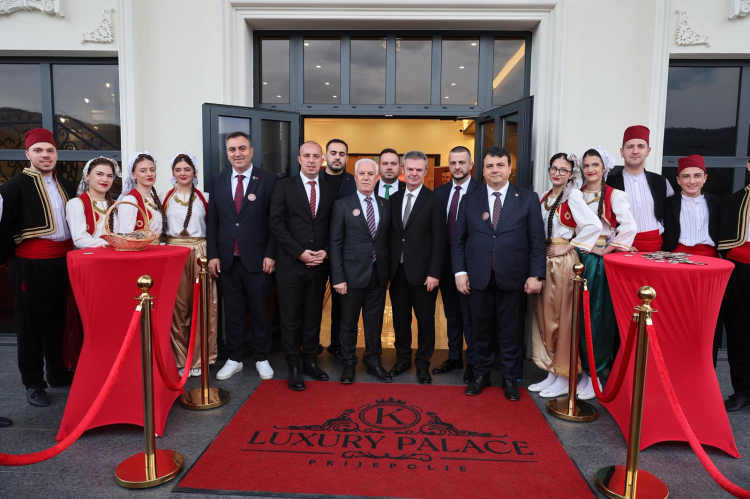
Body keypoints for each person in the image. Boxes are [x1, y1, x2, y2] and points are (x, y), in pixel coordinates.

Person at [453, 146, 546, 399]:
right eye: (490, 166)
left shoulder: (527, 198)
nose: (495, 170)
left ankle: (509, 378)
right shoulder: (470, 199)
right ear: (482, 171)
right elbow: (459, 239)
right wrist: (460, 272)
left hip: (515, 277)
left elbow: (537, 241)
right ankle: (480, 374)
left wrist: (536, 274)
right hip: (478, 277)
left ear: (509, 169)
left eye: (500, 165)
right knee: (479, 330)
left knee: (511, 331)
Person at [0, 128, 76, 407]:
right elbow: (3, 227)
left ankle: (57, 372)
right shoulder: (13, 186)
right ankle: (33, 383)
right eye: (39, 150)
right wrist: (7, 261)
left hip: (64, 261)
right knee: (31, 326)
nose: (45, 155)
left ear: (56, 154)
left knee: (59, 321)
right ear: (27, 154)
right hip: (31, 265)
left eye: (50, 150)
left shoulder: (66, 184)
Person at [529, 153, 601, 398]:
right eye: (554, 168)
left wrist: (568, 247)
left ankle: (564, 375)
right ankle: (552, 370)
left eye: (563, 170)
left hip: (563, 264)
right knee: (546, 317)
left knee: (563, 318)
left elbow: (594, 225)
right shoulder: (545, 197)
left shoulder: (574, 196)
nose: (558, 173)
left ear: (571, 174)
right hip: (544, 261)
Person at [207, 131, 276, 381]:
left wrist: (271, 254)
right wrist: (213, 254)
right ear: (227, 153)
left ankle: (261, 357)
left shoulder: (268, 180)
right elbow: (213, 220)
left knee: (260, 311)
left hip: (258, 260)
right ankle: (234, 358)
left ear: (251, 151)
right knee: (233, 313)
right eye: (232, 149)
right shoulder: (218, 179)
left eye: (242, 148)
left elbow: (275, 221)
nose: (238, 153)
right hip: (227, 260)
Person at [270, 141, 335, 391]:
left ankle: (310, 361)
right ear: (299, 159)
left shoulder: (329, 189)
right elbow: (276, 224)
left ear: (322, 160)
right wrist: (299, 253)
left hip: (318, 265)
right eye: (307, 156)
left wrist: (326, 251)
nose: (311, 160)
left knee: (313, 316)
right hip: (290, 265)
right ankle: (293, 366)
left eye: (316, 156)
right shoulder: (283, 186)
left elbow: (334, 225)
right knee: (291, 318)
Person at [576, 147, 637, 400]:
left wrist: (606, 249)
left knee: (595, 316)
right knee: (575, 318)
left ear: (604, 168)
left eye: (595, 165)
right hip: (575, 257)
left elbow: (629, 226)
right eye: (586, 165)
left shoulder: (614, 195)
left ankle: (595, 373)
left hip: (595, 263)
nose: (590, 169)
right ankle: (580, 371)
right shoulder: (575, 193)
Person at [330, 159, 392, 384]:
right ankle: (348, 364)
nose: (366, 177)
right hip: (350, 275)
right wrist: (338, 277)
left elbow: (388, 241)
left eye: (370, 174)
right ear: (355, 177)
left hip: (378, 275)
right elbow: (335, 243)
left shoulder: (385, 204)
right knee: (348, 323)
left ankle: (374, 361)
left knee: (374, 322)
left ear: (377, 178)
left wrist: (388, 274)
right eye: (361, 174)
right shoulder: (342, 205)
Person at [388, 150, 446, 384]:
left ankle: (423, 364)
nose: (414, 173)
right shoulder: (393, 200)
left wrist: (434, 273)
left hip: (424, 274)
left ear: (425, 172)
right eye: (410, 169)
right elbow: (391, 237)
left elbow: (439, 240)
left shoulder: (434, 201)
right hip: (397, 272)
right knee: (400, 320)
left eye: (418, 169)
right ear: (403, 170)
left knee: (425, 321)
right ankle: (402, 360)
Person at [161, 152, 218, 378]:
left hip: (200, 252)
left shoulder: (205, 197)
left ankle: (200, 358)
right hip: (174, 252)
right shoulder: (164, 197)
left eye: (187, 169)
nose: (182, 173)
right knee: (178, 308)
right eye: (178, 170)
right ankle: (180, 357)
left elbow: (213, 227)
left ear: (194, 171)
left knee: (203, 305)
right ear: (173, 173)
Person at [432, 146, 478, 384]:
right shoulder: (439, 193)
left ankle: (473, 362)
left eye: (462, 162)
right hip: (445, 263)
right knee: (451, 314)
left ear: (471, 165)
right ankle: (454, 357)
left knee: (471, 315)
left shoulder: (482, 191)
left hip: (471, 264)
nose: (457, 167)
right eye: (453, 163)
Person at [607, 125, 674, 253]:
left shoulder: (661, 182)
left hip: (655, 248)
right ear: (622, 151)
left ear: (648, 151)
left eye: (641, 146)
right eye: (630, 147)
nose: (635, 151)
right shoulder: (609, 183)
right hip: (620, 247)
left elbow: (670, 217)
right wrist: (613, 245)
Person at [718, 157, 750, 412]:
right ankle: (742, 391)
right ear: (749, 165)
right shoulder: (732, 202)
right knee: (738, 331)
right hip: (740, 270)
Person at [319, 139, 356, 360]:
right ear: (325, 156)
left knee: (341, 303)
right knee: (313, 302)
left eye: (342, 154)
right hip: (316, 252)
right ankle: (311, 345)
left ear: (347, 158)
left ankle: (337, 345)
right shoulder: (314, 178)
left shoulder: (354, 182)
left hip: (343, 252)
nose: (337, 157)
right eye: (333, 153)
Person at [662, 155, 719, 258]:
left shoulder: (716, 202)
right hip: (676, 256)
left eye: (697, 176)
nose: (692, 181)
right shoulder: (668, 204)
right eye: (686, 176)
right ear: (678, 180)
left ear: (705, 178)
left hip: (710, 256)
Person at [65, 157, 120, 249]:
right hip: (91, 256)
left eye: (110, 176)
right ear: (87, 176)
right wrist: (112, 243)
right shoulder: (76, 204)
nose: (105, 179)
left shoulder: (117, 205)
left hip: (117, 255)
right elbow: (80, 239)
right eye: (99, 174)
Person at [116, 152, 166, 241]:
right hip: (140, 249)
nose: (149, 174)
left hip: (157, 248)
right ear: (134, 175)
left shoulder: (155, 199)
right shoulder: (130, 200)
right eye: (143, 171)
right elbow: (125, 237)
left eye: (152, 170)